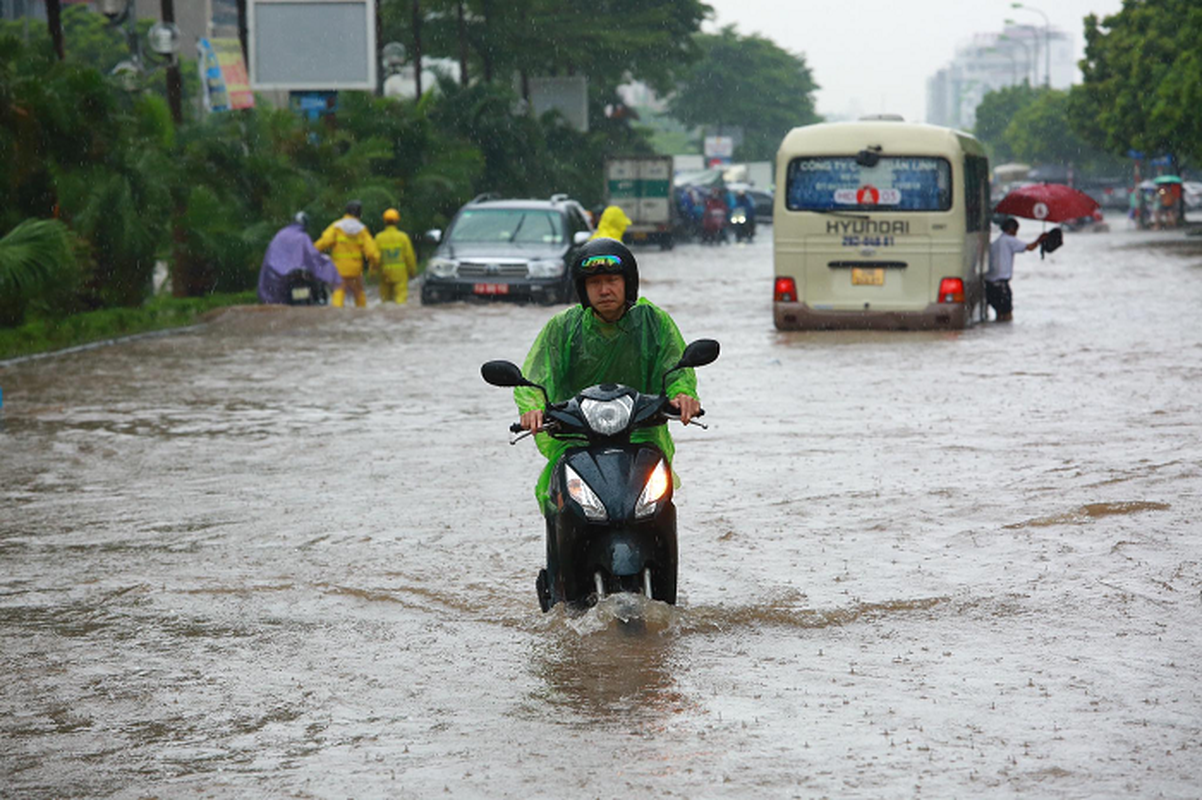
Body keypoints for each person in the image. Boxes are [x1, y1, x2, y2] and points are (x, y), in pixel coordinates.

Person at [515, 237, 701, 514]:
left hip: (641, 436)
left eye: (612, 280)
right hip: (577, 438)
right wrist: (532, 407)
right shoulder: (564, 328)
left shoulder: (653, 322)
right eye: (594, 283)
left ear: (628, 283)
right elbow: (538, 376)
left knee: (660, 507)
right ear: (583, 289)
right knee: (560, 506)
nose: (604, 290)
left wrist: (682, 395)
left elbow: (676, 369)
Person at [257, 212, 342, 305]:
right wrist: (325, 262)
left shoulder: (281, 234)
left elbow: (272, 256)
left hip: (278, 275)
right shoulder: (302, 237)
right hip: (298, 275)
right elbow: (312, 255)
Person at [314, 200, 380, 308]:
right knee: (359, 294)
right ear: (359, 214)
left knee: (339, 291)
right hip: (356, 270)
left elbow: (324, 242)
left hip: (339, 269)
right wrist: (374, 268)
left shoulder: (336, 227)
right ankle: (363, 316)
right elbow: (372, 253)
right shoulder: (362, 230)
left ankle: (337, 316)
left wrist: (311, 252)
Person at [985, 218, 1047, 322]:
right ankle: (1006, 337)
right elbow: (1030, 247)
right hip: (1002, 285)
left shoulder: (997, 242)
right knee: (1007, 316)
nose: (1016, 234)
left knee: (999, 315)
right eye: (1016, 231)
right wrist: (1040, 239)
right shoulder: (1009, 240)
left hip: (990, 285)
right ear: (1011, 229)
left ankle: (997, 336)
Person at [373, 208, 418, 304]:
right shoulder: (403, 237)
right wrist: (412, 271)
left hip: (384, 274)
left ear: (384, 221)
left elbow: (374, 258)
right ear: (397, 221)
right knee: (400, 301)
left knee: (385, 302)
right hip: (400, 275)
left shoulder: (378, 237)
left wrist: (372, 273)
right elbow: (409, 256)